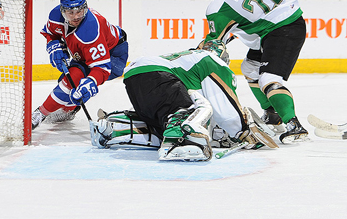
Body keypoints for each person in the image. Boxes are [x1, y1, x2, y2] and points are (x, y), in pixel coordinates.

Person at [90, 41, 277, 162]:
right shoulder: (213, 60)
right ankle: (177, 143)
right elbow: (224, 106)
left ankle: (113, 128)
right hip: (156, 75)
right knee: (186, 112)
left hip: (135, 77)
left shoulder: (189, 60)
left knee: (160, 126)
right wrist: (242, 131)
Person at [196, 0, 308, 144]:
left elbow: (213, 44)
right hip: (279, 26)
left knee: (268, 79)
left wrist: (197, 52)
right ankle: (272, 114)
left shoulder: (216, 9)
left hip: (282, 30)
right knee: (249, 67)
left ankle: (294, 125)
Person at [31, 0, 128, 129]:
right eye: (71, 13)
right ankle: (70, 109)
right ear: (62, 11)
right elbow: (50, 33)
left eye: (79, 11)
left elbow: (102, 69)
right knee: (67, 81)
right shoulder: (55, 16)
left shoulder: (90, 30)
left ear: (85, 8)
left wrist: (91, 82)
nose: (76, 17)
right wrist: (54, 45)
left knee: (74, 80)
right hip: (84, 53)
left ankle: (40, 113)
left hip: (113, 54)